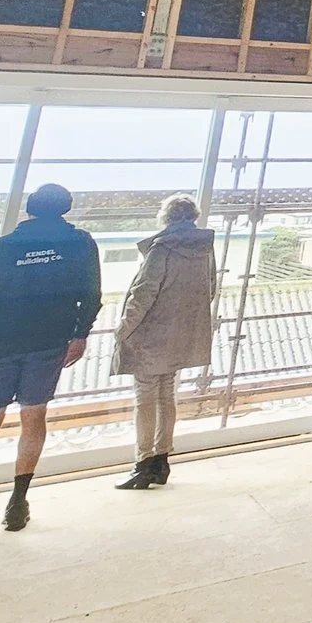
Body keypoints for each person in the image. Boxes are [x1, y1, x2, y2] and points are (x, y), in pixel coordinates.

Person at [0, 181, 102, 543]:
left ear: (29, 208)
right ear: (66, 208)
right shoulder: (79, 243)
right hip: (50, 340)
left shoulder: (3, 247)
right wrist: (81, 333)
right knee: (34, 417)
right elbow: (91, 292)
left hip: (0, 341)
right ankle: (18, 502)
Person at [111, 195, 216, 490]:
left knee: (145, 397)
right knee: (167, 394)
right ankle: (162, 461)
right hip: (182, 332)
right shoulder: (205, 249)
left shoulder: (162, 249)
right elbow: (209, 289)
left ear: (166, 217)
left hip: (152, 334)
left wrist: (123, 328)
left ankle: (143, 463)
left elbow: (143, 294)